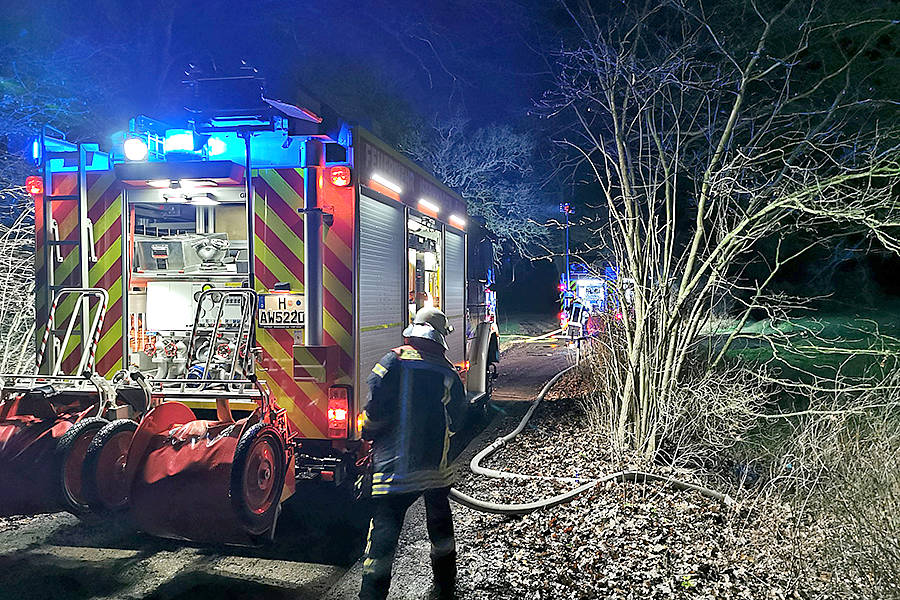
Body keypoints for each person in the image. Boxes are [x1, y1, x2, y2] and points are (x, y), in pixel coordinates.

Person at [358, 307, 467, 600]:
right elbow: (458, 418)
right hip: (435, 471)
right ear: (440, 337)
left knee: (383, 542)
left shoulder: (393, 361)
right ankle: (445, 587)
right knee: (441, 531)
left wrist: (366, 430)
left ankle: (372, 596)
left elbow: (374, 413)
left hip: (394, 473)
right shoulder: (447, 372)